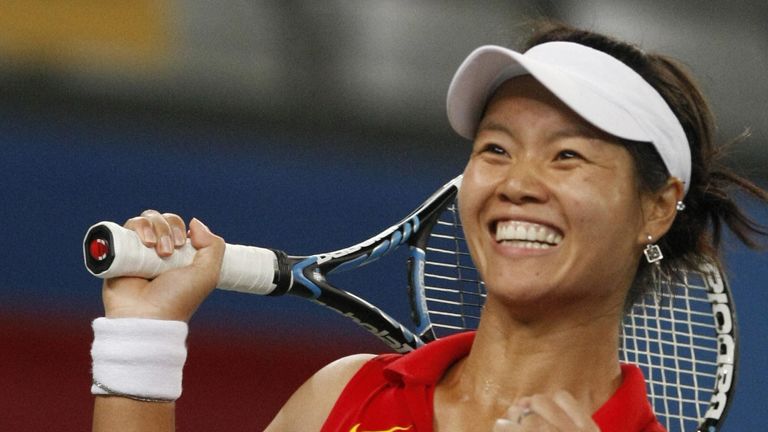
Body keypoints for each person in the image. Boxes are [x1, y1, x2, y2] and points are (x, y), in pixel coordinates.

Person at [91, 23, 768, 432]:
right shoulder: (344, 396)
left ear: (655, 208)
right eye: (495, 148)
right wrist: (139, 341)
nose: (517, 182)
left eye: (567, 156)